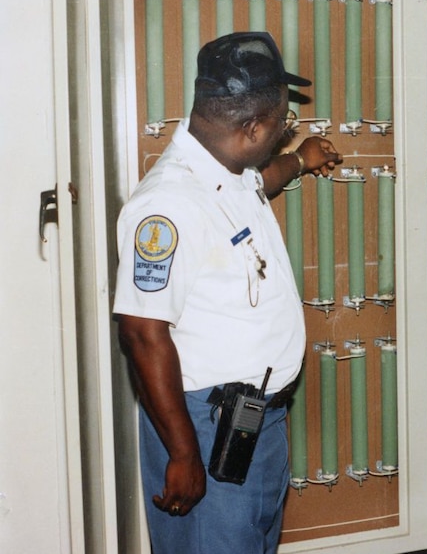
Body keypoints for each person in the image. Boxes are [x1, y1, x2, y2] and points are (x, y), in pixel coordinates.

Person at [113, 31, 341, 554]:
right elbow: (143, 334)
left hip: (254, 420)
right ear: (252, 126)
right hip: (204, 426)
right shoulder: (168, 206)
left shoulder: (229, 168)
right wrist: (183, 455)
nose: (284, 134)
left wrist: (301, 159)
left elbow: (264, 181)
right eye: (282, 126)